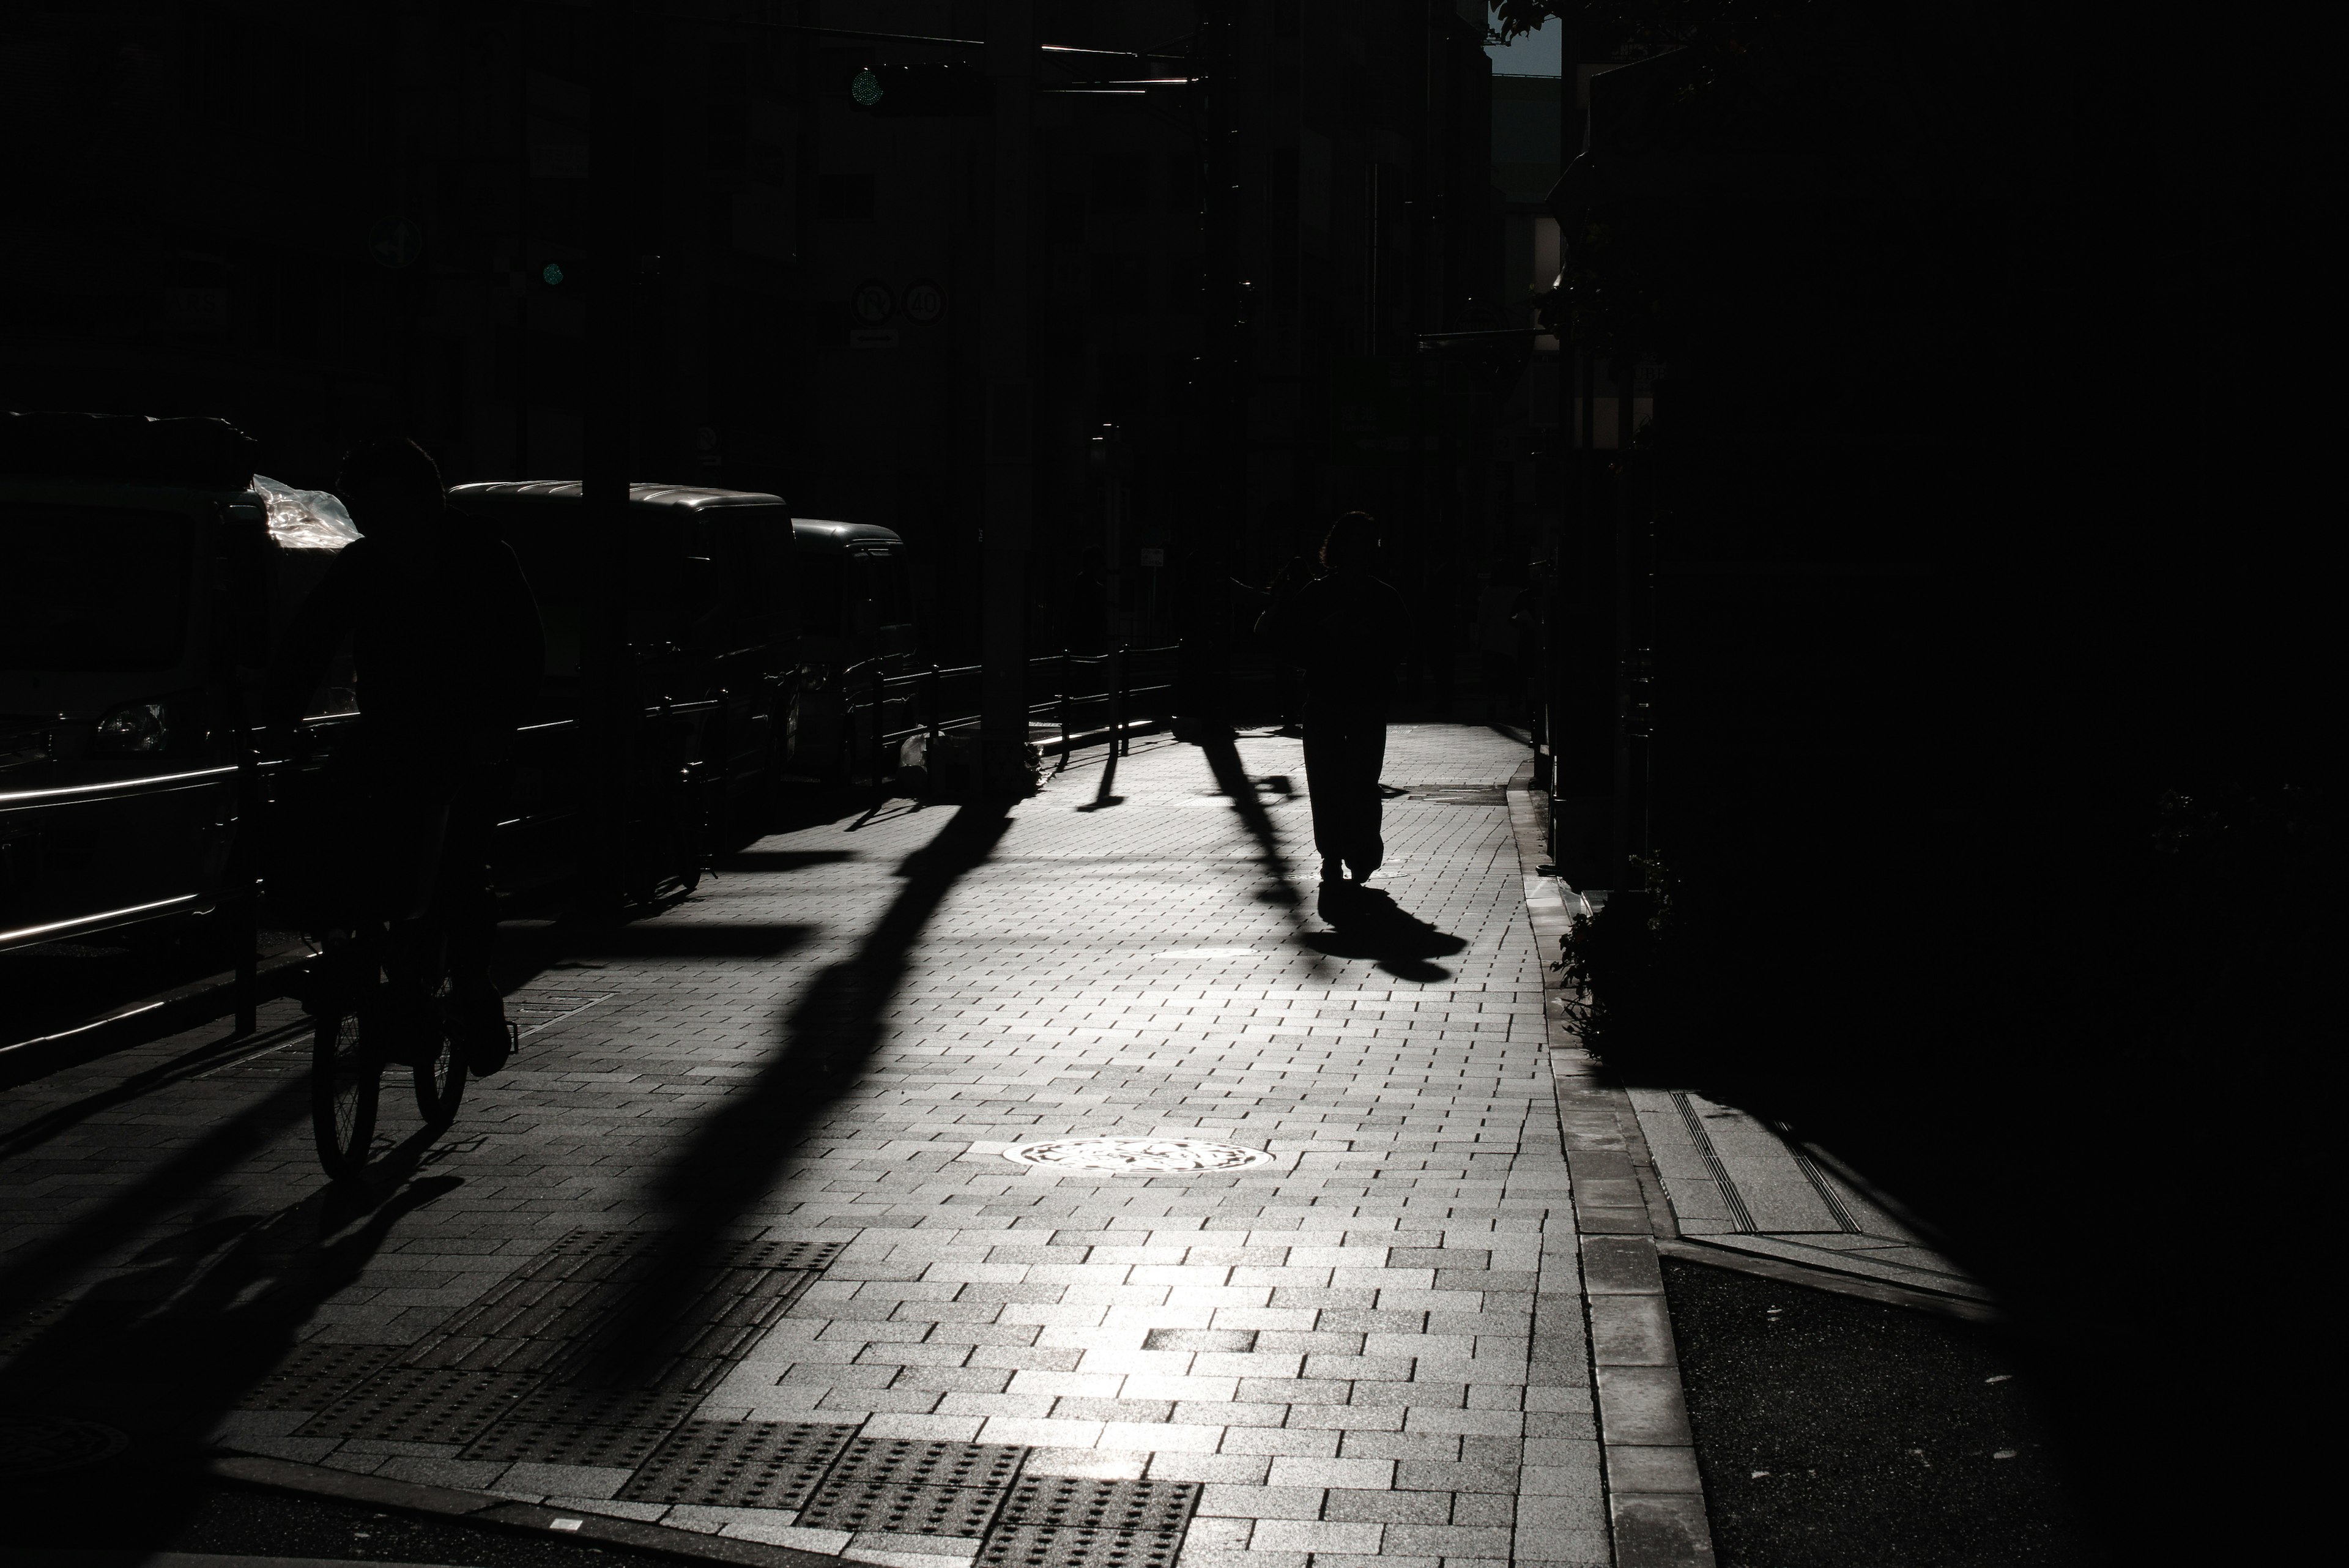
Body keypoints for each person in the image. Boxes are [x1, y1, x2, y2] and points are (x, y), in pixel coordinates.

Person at [263, 438, 543, 1073]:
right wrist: (278, 720)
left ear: (426, 502)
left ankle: (471, 987)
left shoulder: (482, 558)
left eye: (383, 506)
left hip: (467, 739)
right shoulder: (363, 565)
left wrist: (498, 724)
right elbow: (310, 642)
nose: (372, 521)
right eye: (364, 508)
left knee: (461, 867)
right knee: (330, 821)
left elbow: (524, 651)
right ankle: (346, 944)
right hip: (390, 732)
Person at [1265, 512, 1408, 889]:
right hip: (1344, 698)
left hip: (1344, 698)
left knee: (1348, 779)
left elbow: (1401, 645)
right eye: (1359, 543)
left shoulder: (1333, 594)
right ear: (1342, 548)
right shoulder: (1368, 596)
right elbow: (1291, 643)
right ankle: (1343, 852)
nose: (1364, 551)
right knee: (1345, 779)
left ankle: (1347, 852)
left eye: (1369, 543)